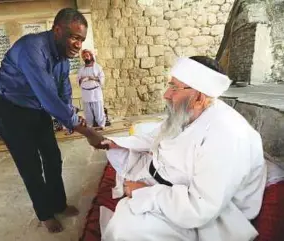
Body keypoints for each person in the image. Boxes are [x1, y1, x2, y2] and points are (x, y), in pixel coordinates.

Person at [99, 56, 267, 241]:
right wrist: (119, 142)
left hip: (206, 218)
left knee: (125, 229)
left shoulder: (227, 135)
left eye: (174, 88)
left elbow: (200, 208)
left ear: (199, 98)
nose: (166, 95)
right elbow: (158, 135)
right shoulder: (191, 112)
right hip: (170, 188)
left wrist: (143, 191)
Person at [0, 8, 104, 233]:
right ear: (57, 30)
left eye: (81, 40)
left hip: (36, 106)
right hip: (9, 108)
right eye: (74, 37)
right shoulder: (32, 49)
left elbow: (62, 90)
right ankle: (44, 213)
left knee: (52, 156)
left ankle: (58, 204)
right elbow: (48, 96)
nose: (78, 45)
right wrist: (88, 132)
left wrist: (70, 114)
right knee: (30, 165)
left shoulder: (62, 57)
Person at [77, 49, 106, 129]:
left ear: (91, 56)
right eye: (83, 57)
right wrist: (82, 79)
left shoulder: (97, 67)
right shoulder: (81, 69)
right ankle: (89, 125)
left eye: (87, 56)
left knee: (98, 110)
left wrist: (92, 78)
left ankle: (101, 125)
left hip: (95, 92)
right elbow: (78, 80)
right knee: (87, 111)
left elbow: (102, 79)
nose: (85, 58)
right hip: (86, 92)